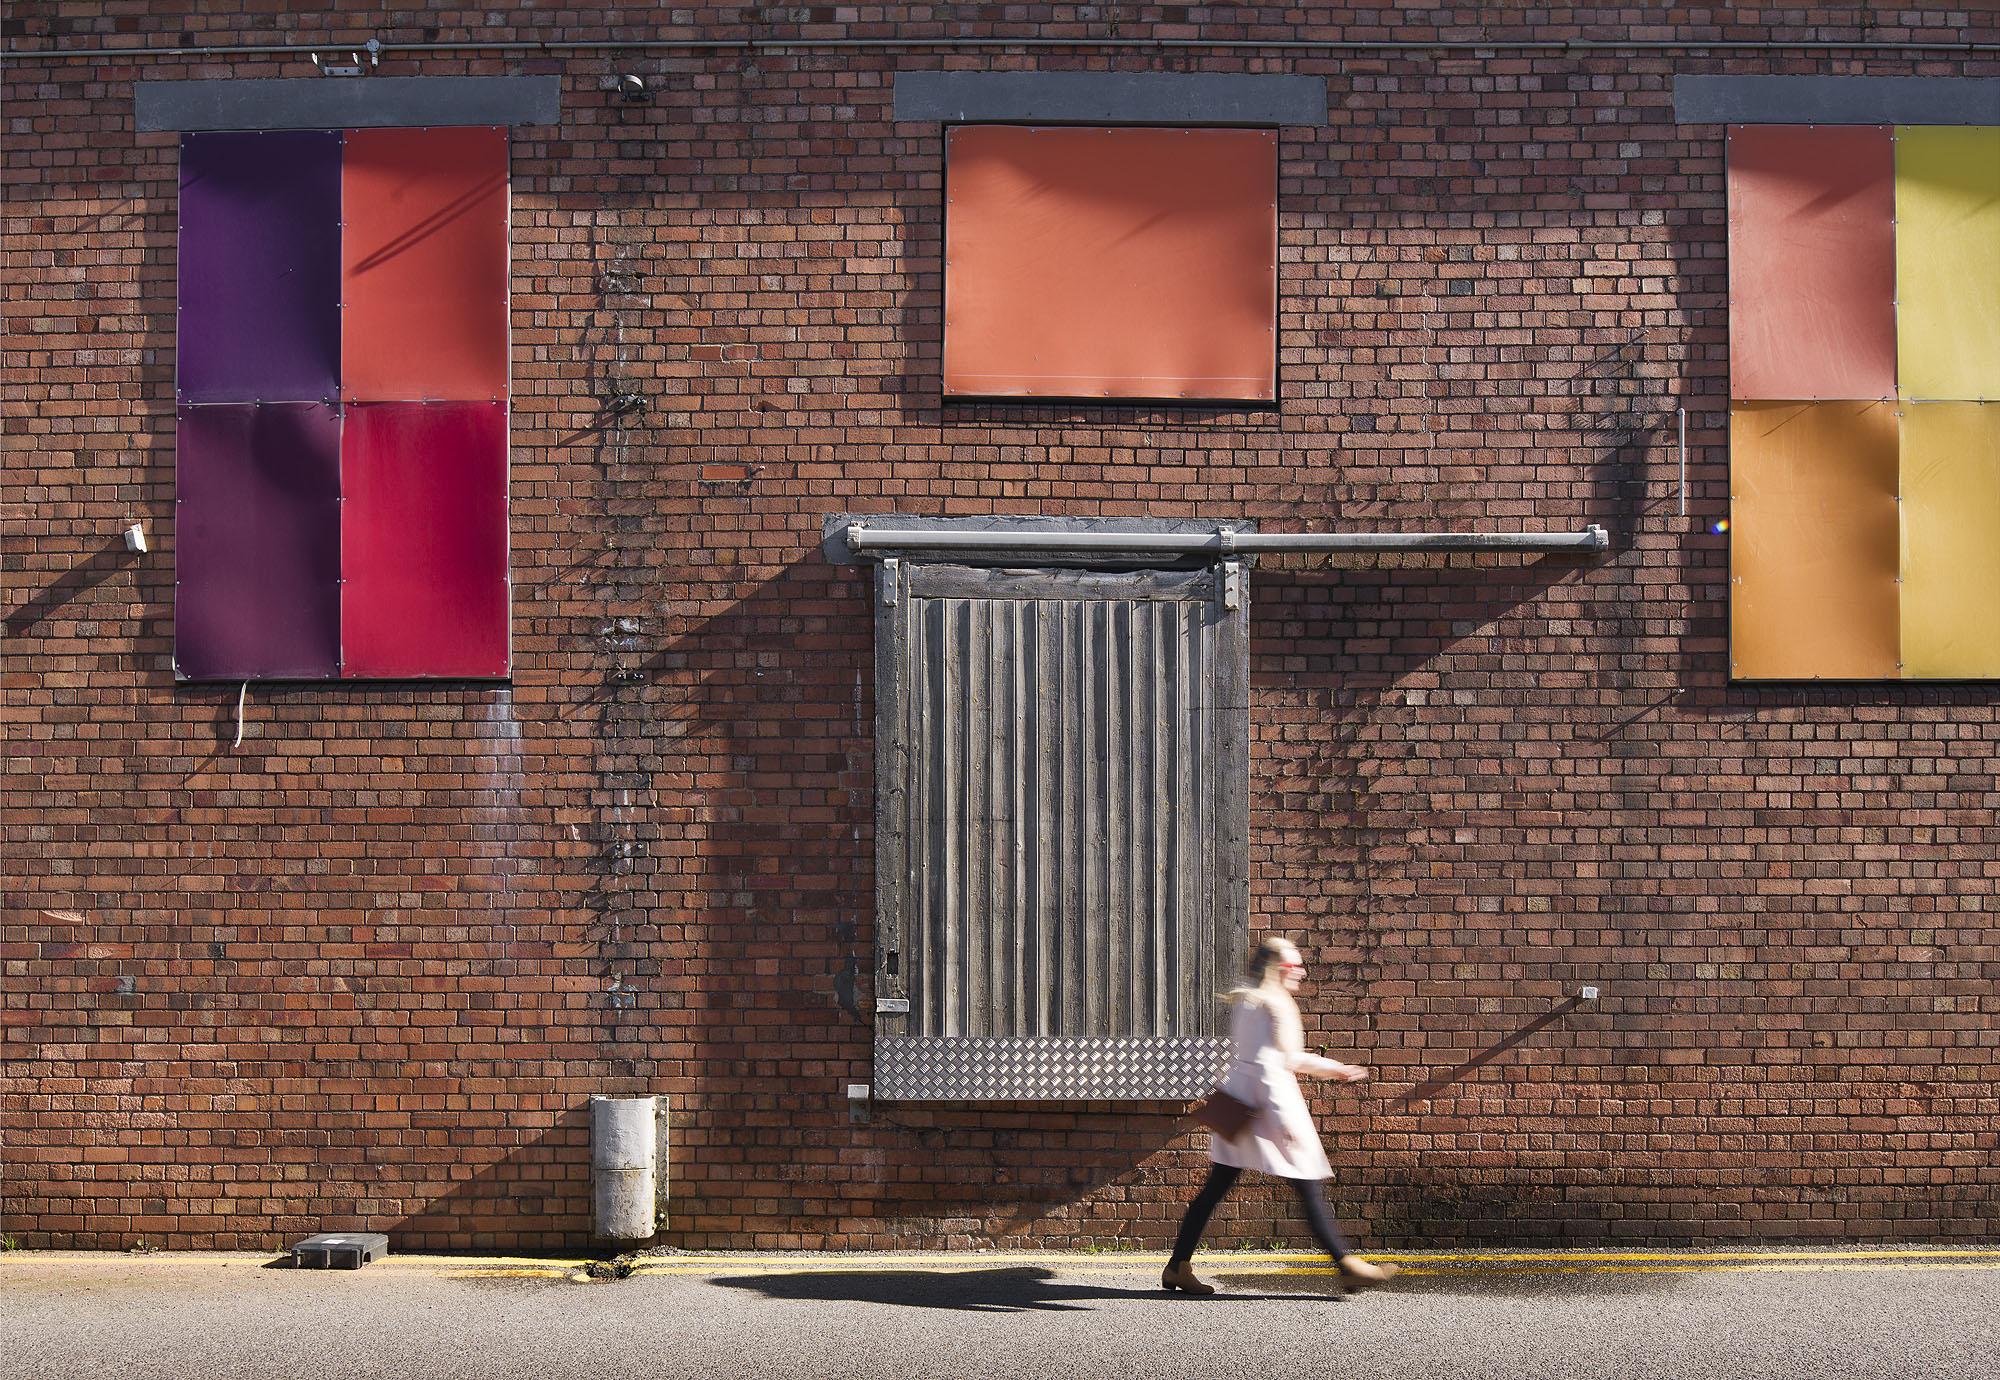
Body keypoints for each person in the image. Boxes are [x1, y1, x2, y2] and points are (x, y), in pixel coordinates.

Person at [1162, 936, 1398, 1295]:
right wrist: (1285, 1119)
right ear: (1277, 968)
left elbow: (1272, 1058)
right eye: (1294, 965)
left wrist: (1333, 1069)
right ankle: (1346, 1265)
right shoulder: (1275, 1003)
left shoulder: (1249, 1000)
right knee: (1307, 1185)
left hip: (1240, 1103)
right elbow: (1274, 1064)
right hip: (1270, 1104)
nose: (1300, 971)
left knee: (1215, 1188)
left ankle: (1178, 1265)